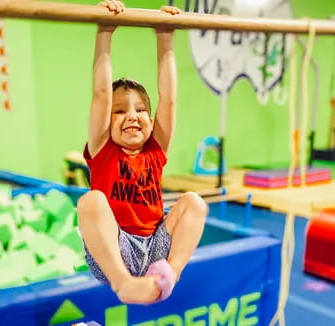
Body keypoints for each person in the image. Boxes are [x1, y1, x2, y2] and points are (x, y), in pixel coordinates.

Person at [77, 0, 207, 305]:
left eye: (140, 110)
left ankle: (170, 274)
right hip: (115, 249)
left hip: (156, 248)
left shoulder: (155, 150)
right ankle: (124, 282)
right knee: (92, 200)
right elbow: (100, 95)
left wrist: (165, 37)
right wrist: (105, 30)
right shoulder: (103, 149)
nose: (132, 116)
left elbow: (170, 98)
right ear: (106, 121)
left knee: (194, 203)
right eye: (119, 111)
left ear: (151, 118)